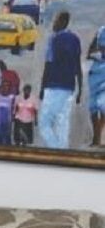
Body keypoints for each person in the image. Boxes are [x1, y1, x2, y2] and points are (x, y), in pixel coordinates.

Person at [39, 11, 83, 149]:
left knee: (44, 123)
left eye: (56, 20)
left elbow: (48, 64)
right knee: (63, 123)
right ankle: (62, 150)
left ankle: (55, 148)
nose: (54, 23)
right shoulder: (75, 39)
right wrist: (80, 88)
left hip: (53, 85)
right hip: (69, 86)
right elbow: (77, 65)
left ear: (63, 22)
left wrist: (42, 87)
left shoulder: (53, 39)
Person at [89, 29, 105, 148]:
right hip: (96, 73)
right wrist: (96, 54)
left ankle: (99, 138)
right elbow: (90, 52)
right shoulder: (100, 31)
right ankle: (96, 138)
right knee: (93, 108)